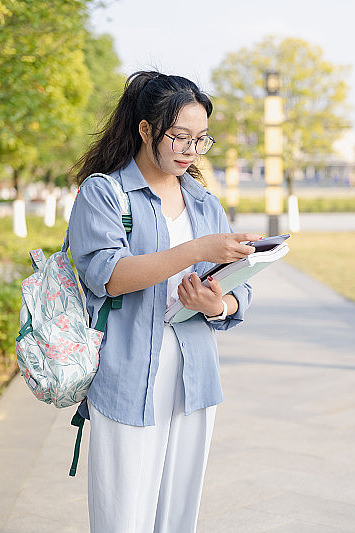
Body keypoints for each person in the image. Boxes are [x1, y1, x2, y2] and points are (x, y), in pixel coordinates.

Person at [67, 71, 259, 532]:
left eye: (200, 139)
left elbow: (241, 291)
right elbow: (108, 275)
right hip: (128, 373)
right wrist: (197, 251)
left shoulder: (203, 202)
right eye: (179, 136)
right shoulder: (105, 193)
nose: (190, 150)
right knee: (123, 515)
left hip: (195, 377)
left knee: (178, 515)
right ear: (146, 129)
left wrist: (219, 306)